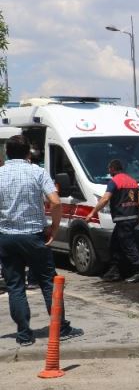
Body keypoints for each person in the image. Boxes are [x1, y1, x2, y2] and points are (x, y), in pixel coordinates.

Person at [0, 135, 83, 346]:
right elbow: (55, 202)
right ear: (29, 153)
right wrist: (54, 228)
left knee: (15, 285)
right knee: (48, 281)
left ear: (7, 153)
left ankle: (24, 334)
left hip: (7, 237)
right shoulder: (37, 172)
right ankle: (61, 328)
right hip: (33, 236)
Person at [85, 159, 139, 283]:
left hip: (123, 219)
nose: (108, 171)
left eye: (109, 169)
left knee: (128, 245)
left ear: (113, 169)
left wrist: (92, 212)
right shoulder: (132, 181)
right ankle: (115, 271)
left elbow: (105, 198)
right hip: (132, 218)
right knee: (115, 244)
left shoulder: (114, 181)